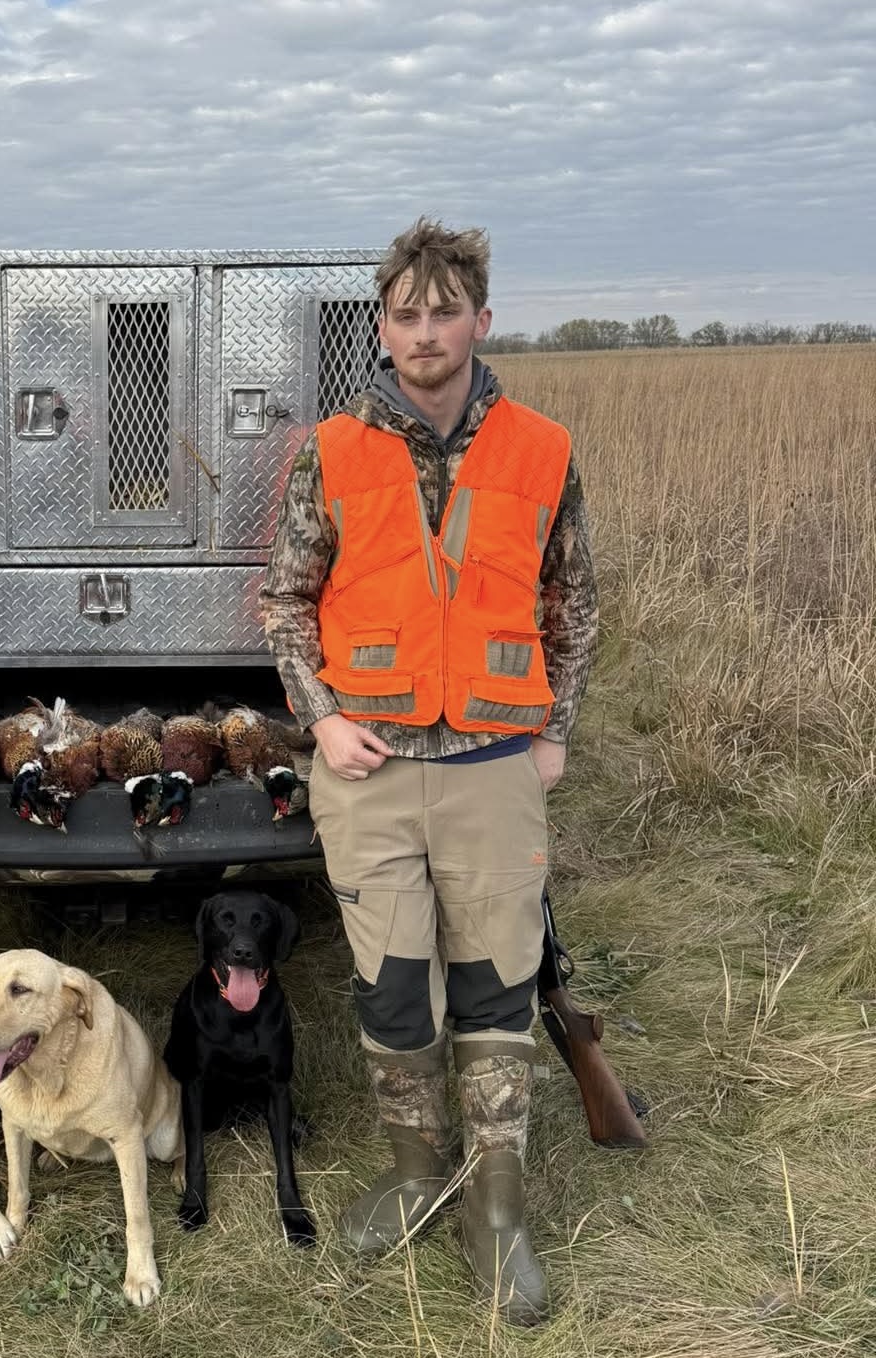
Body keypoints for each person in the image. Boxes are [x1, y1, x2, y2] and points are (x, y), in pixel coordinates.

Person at [260, 219, 597, 1325]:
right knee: (395, 986)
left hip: (497, 763)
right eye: (405, 313)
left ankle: (497, 1213)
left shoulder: (543, 446)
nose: (424, 332)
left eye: (444, 310)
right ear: (384, 324)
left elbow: (573, 599)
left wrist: (559, 730)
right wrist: (320, 717)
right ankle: (417, 1175)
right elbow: (287, 598)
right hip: (370, 766)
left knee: (499, 986)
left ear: (481, 320)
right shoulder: (332, 448)